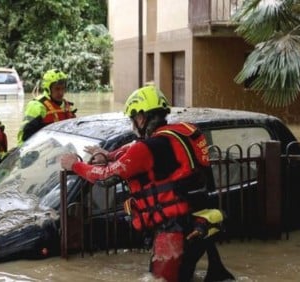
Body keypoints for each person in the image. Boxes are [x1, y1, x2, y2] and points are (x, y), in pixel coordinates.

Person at [60, 85, 233, 281]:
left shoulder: (148, 148)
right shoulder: (178, 135)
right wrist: (108, 155)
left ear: (141, 118)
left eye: (132, 119)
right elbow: (131, 151)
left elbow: (107, 177)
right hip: (198, 223)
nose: (133, 125)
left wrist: (75, 165)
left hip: (172, 230)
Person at [17, 69, 76, 145]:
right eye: (57, 89)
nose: (61, 93)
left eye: (63, 88)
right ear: (48, 89)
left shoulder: (66, 106)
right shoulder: (36, 106)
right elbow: (22, 137)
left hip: (60, 149)